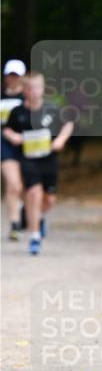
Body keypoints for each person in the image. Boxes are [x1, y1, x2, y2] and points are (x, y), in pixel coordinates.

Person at [3, 72, 74, 255]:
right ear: (25, 90)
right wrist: (14, 137)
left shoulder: (52, 108)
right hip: (27, 159)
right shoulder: (18, 112)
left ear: (43, 89)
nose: (34, 92)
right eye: (30, 88)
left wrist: (61, 140)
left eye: (37, 87)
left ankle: (40, 217)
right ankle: (35, 237)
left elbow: (68, 124)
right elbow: (6, 130)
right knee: (33, 193)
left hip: (48, 160)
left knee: (49, 200)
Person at [1, 59, 26, 240]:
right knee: (13, 183)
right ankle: (15, 223)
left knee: (22, 186)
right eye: (10, 75)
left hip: (27, 144)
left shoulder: (28, 98)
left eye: (16, 75)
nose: (13, 79)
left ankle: (26, 211)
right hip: (4, 144)